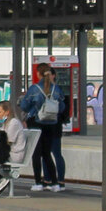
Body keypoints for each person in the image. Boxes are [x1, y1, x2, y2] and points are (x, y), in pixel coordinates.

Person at [18, 63, 62, 191]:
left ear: (39, 74)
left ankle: (38, 182)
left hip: (36, 122)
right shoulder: (56, 89)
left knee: (36, 153)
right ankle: (55, 183)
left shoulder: (34, 89)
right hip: (51, 124)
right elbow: (62, 107)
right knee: (47, 154)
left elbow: (25, 106)